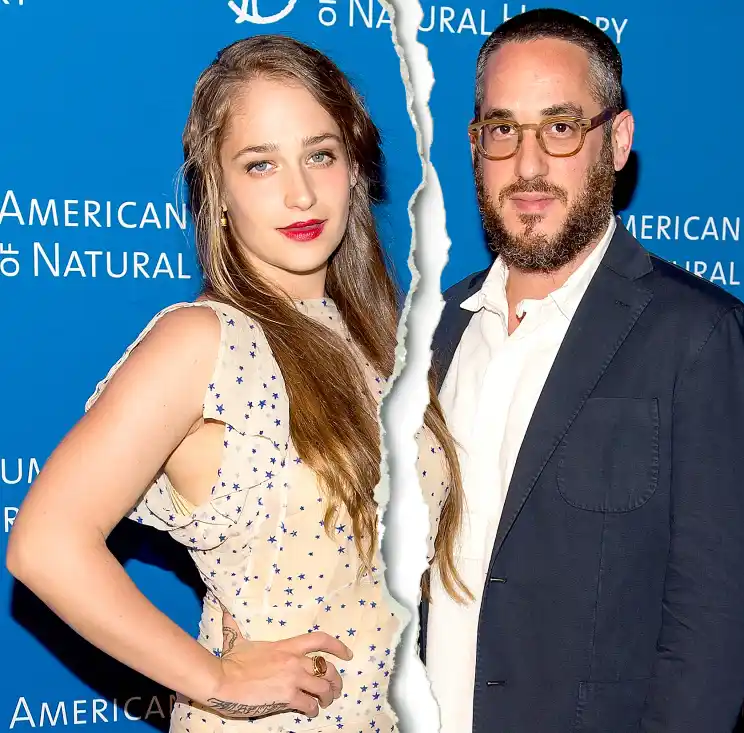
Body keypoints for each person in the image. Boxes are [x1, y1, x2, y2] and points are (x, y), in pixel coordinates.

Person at [6, 35, 467, 733]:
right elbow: (43, 542)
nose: (300, 191)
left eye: (320, 153)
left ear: (354, 168)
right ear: (217, 194)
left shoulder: (381, 341)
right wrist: (214, 678)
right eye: (260, 165)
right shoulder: (204, 341)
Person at [423, 8, 744, 733]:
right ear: (474, 145)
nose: (527, 166)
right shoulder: (432, 329)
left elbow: (712, 635)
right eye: (503, 129)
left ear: (616, 141)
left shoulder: (704, 338)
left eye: (560, 128)